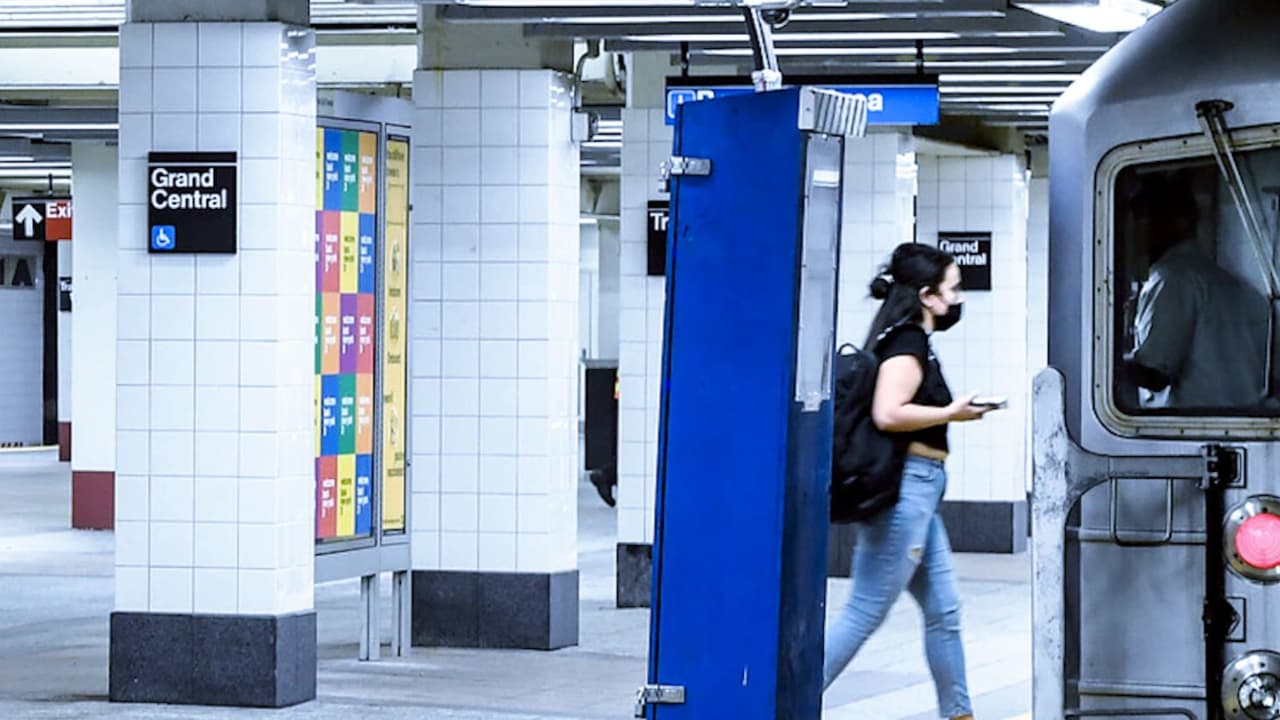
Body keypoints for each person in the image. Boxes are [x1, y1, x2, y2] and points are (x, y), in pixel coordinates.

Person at [823, 242, 991, 720]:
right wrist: (951, 413)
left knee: (945, 611)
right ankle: (788, 701)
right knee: (865, 611)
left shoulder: (907, 338)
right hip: (907, 491)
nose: (958, 298)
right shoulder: (906, 343)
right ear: (927, 295)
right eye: (952, 290)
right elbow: (889, 412)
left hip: (921, 489)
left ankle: (958, 713)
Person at [1122, 175, 1269, 410]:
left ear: (1178, 222)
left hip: (1190, 430)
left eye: (1144, 217)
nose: (1137, 228)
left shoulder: (1172, 277)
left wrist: (1102, 362)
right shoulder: (1223, 280)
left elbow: (1155, 374)